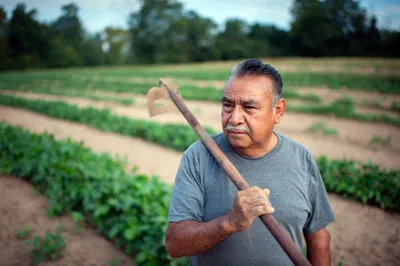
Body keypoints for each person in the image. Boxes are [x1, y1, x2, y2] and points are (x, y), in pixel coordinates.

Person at [165, 59, 336, 266]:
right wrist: (229, 222)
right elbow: (175, 245)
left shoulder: (301, 159)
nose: (234, 118)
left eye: (249, 107)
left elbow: (318, 236)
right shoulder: (198, 157)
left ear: (278, 111)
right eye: (228, 105)